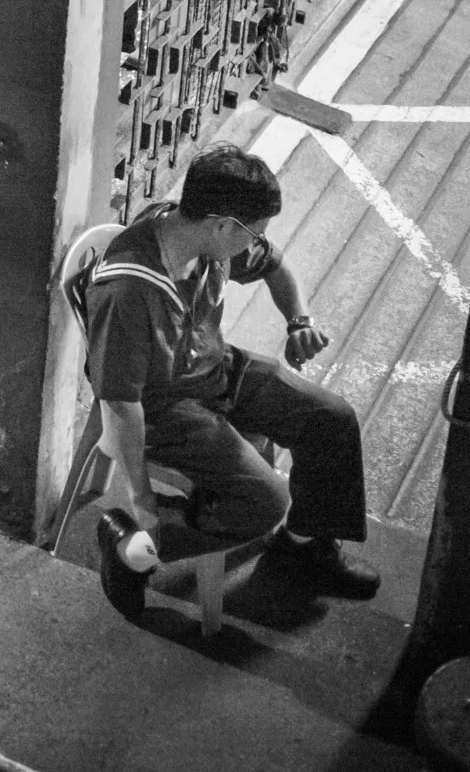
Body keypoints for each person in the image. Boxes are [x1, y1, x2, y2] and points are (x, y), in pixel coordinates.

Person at [79, 142, 380, 617]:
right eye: (252, 232)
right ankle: (129, 549)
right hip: (163, 408)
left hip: (215, 371)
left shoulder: (201, 238)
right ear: (221, 225)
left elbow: (275, 266)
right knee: (264, 502)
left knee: (331, 419)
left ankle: (303, 548)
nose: (255, 242)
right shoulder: (128, 291)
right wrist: (142, 502)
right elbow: (120, 406)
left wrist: (299, 321)